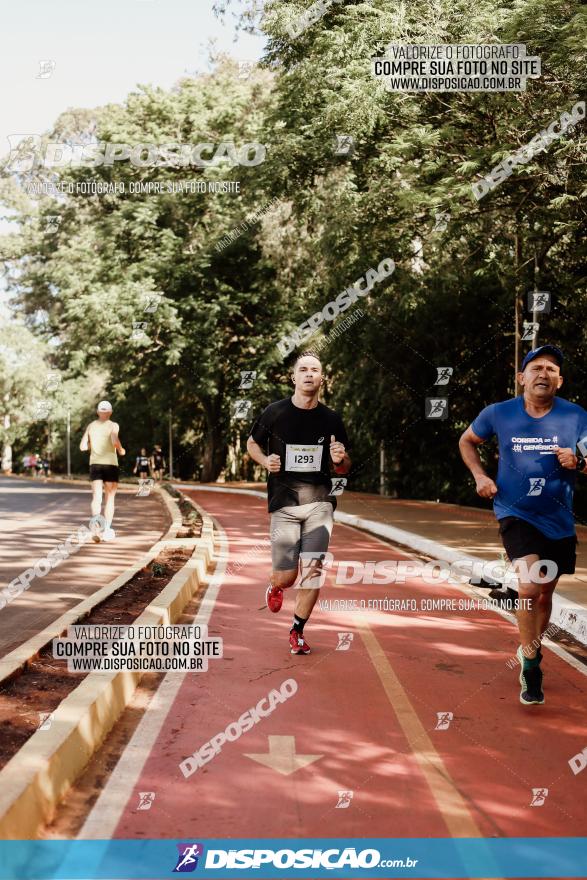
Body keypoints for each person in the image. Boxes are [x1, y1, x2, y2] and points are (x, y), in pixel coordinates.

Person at [459, 345, 587, 705]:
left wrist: (578, 461)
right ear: (522, 378)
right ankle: (531, 664)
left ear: (559, 381)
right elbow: (467, 440)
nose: (543, 373)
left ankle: (531, 648)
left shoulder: (576, 416)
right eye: (536, 368)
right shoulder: (499, 413)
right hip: (515, 512)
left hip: (559, 520)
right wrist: (479, 476)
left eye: (551, 369)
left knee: (545, 594)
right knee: (529, 588)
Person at [247, 352, 351, 655]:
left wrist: (340, 459)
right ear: (293, 378)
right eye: (302, 370)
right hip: (284, 503)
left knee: (314, 570)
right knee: (287, 576)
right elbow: (252, 443)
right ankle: (276, 585)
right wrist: (265, 460)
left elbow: (344, 466)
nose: (308, 374)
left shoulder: (332, 419)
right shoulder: (275, 412)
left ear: (321, 379)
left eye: (314, 370)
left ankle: (297, 630)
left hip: (320, 503)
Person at [80, 400, 125, 542]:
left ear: (98, 412)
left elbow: (82, 447)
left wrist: (92, 444)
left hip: (95, 465)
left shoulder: (91, 426)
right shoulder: (113, 425)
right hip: (110, 464)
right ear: (110, 412)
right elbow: (114, 439)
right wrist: (121, 450)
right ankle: (107, 530)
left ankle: (95, 528)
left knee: (97, 498)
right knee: (110, 498)